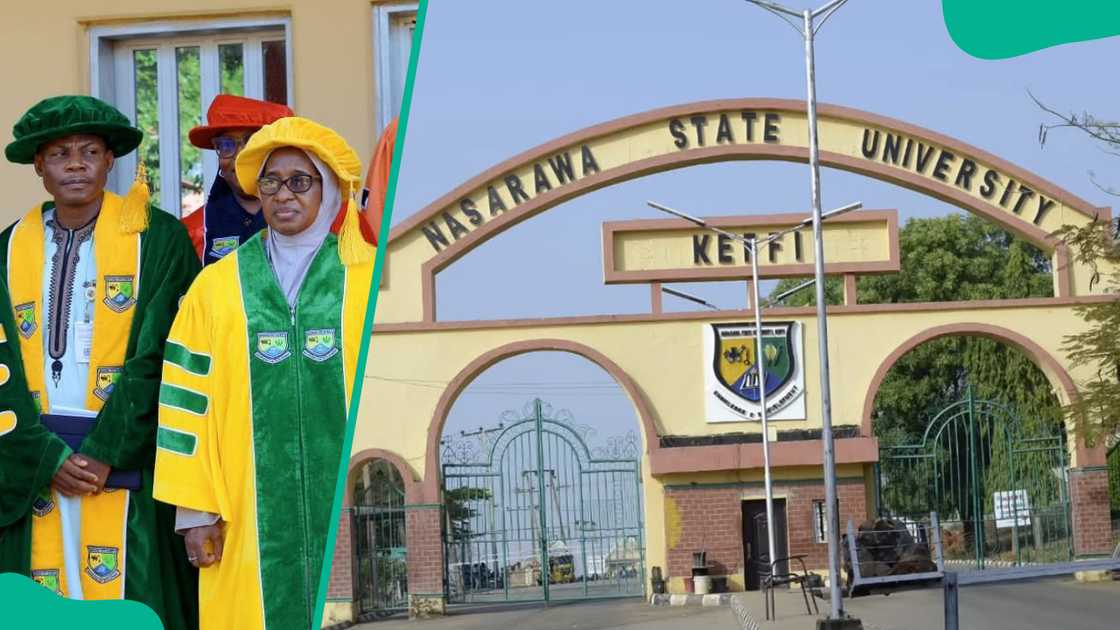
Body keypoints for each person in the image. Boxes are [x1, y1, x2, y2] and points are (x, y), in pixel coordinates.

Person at [154, 116, 375, 630]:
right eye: (271, 182)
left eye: (300, 181)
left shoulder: (368, 279)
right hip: (242, 510)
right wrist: (194, 513)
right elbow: (186, 403)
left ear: (330, 188)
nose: (283, 194)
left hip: (351, 504)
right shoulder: (216, 286)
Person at [0, 95, 199, 629]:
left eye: (90, 151)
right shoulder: (7, 248)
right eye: (60, 153)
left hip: (124, 466)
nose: (75, 163)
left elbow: (163, 354)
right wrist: (41, 457)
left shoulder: (159, 240)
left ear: (111, 161)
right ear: (38, 165)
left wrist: (109, 451)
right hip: (34, 463)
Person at [182, 94, 294, 265]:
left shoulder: (322, 219)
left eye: (252, 142)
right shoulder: (193, 231)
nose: (240, 157)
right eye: (226, 145)